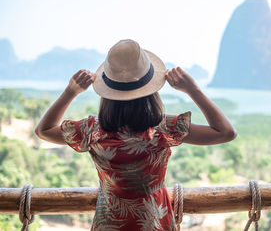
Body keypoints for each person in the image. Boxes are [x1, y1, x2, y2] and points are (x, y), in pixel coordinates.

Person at [35, 39, 237, 231]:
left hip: (110, 222)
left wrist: (71, 91)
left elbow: (43, 130)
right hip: (154, 221)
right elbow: (225, 132)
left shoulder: (91, 130)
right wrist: (193, 90)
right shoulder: (163, 128)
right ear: (151, 91)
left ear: (107, 92)